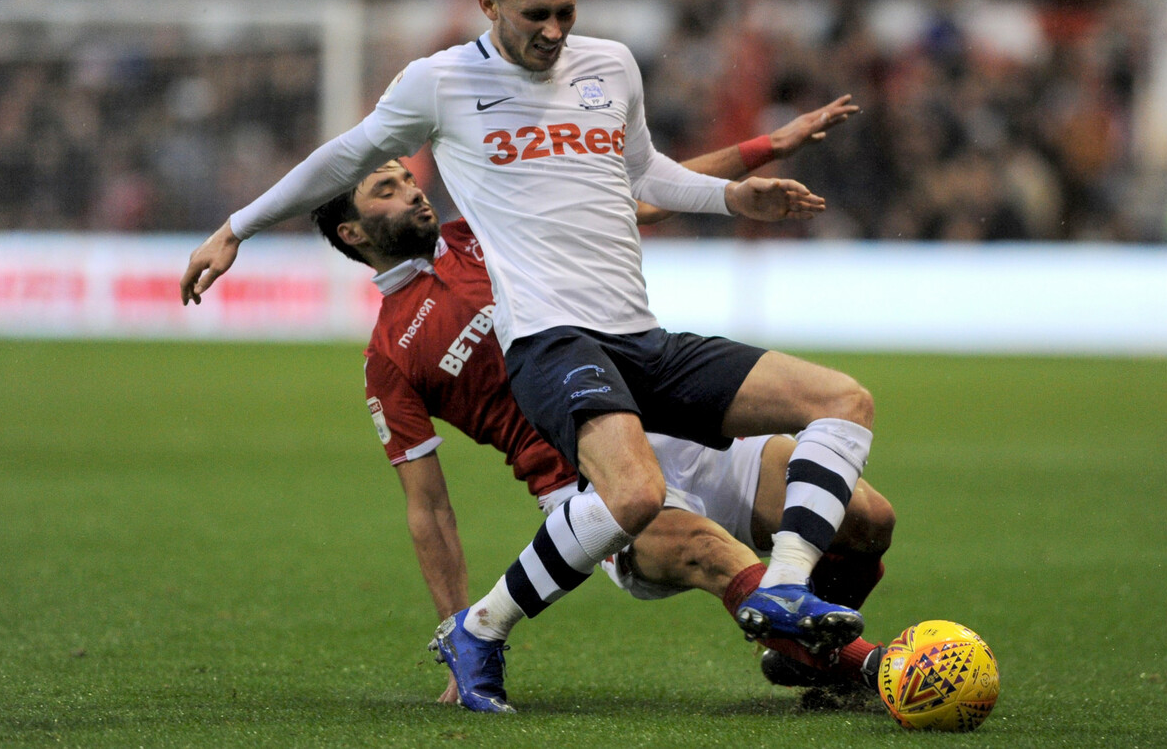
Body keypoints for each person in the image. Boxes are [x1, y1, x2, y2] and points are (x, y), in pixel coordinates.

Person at [181, 0, 878, 713]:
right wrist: (236, 227)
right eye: (534, 16)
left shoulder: (574, 110)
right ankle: (867, 668)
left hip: (638, 347)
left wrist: (744, 177)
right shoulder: (435, 114)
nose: (553, 31)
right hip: (555, 355)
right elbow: (428, 502)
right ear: (487, 5)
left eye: (566, 13)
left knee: (855, 453)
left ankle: (792, 599)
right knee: (648, 504)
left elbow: (639, 183)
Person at [310, 153, 893, 706]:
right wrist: (452, 625)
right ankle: (883, 672)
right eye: (385, 190)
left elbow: (633, 196)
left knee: (868, 521)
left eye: (405, 177)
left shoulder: (491, 228)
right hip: (586, 488)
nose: (411, 189)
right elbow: (429, 508)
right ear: (353, 234)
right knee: (711, 553)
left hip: (670, 427)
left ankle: (806, 655)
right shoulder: (390, 357)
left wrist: (758, 155)